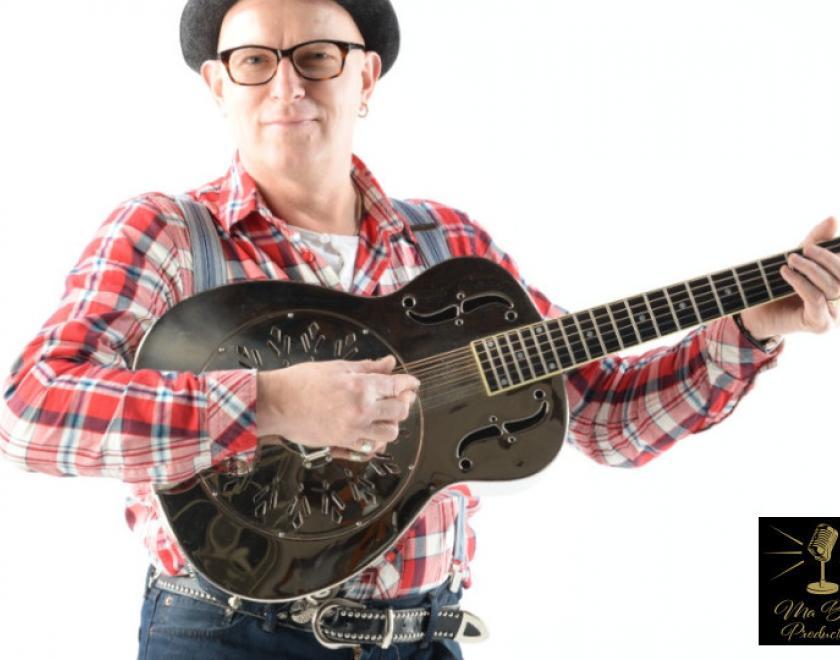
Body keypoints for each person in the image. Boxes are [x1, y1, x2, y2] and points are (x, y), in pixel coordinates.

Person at [1, 0, 839, 658]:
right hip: (227, 640)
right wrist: (269, 404)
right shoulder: (168, 235)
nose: (286, 85)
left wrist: (749, 326)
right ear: (219, 86)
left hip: (425, 637)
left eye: (317, 58)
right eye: (254, 61)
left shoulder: (452, 250)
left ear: (366, 78)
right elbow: (28, 409)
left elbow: (602, 420)